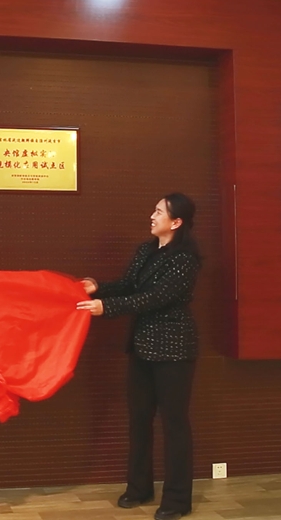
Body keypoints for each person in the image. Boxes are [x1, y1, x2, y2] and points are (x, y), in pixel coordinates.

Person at [76, 193, 201, 520]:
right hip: (142, 346)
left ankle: (177, 500)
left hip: (173, 349)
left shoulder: (186, 258)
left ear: (176, 222)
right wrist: (98, 288)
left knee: (174, 425)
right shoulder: (146, 249)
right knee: (139, 420)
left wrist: (106, 308)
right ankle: (139, 488)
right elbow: (129, 285)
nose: (152, 216)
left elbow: (155, 298)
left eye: (159, 212)